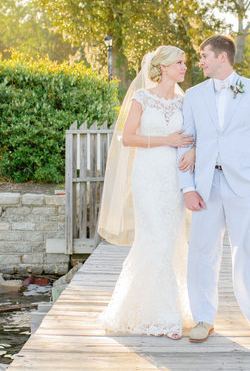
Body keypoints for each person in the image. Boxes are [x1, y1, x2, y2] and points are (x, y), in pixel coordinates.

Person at [177, 35, 250, 345]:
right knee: (202, 253)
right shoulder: (193, 96)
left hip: (245, 184)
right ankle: (203, 319)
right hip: (207, 185)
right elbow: (186, 141)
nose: (201, 61)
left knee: (246, 252)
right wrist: (188, 188)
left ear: (223, 57)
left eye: (205, 55)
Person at [97, 46, 196, 339]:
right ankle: (164, 318)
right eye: (179, 62)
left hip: (174, 178)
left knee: (172, 240)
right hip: (148, 176)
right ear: (163, 67)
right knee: (154, 239)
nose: (184, 66)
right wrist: (168, 139)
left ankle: (162, 309)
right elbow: (128, 137)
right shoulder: (142, 98)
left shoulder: (184, 101)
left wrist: (191, 153)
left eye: (184, 62)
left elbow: (192, 136)